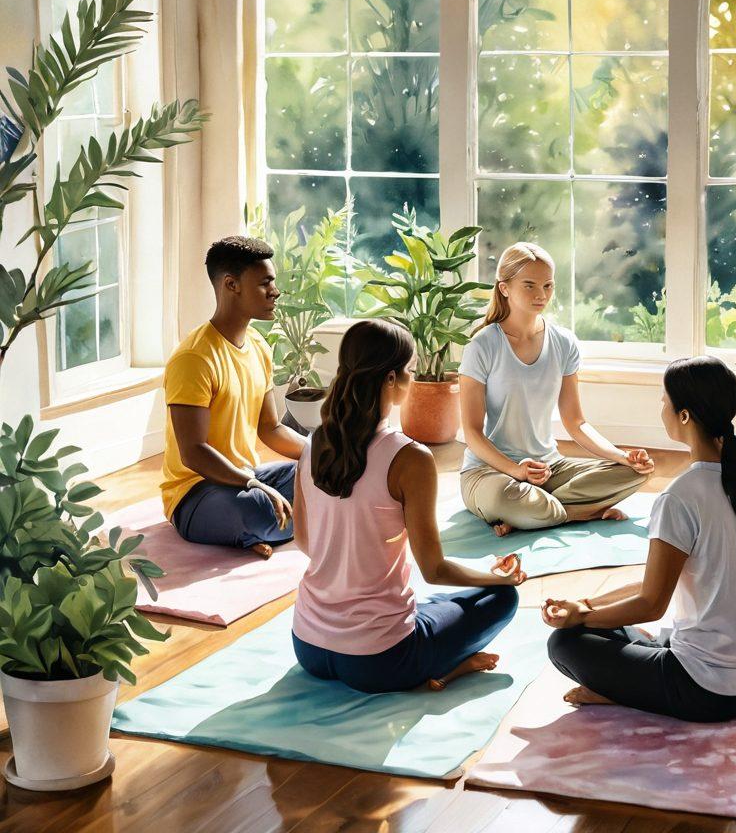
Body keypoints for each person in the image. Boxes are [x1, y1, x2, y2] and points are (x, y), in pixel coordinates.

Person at [543, 356, 736, 722]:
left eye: (664, 401)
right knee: (622, 627)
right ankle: (644, 669)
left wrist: (579, 620)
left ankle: (625, 695)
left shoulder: (679, 496)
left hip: (708, 690)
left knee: (565, 643)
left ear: (685, 416)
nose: (661, 408)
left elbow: (651, 604)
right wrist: (587, 604)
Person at [291, 319, 526, 694]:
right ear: (390, 380)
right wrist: (497, 577)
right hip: (381, 659)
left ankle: (437, 660)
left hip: (308, 645)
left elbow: (304, 542)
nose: (412, 379)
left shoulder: (313, 442)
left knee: (436, 600)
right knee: (501, 597)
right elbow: (434, 570)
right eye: (410, 372)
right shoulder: (409, 458)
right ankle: (448, 669)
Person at [459, 242, 654, 537]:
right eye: (530, 285)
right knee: (504, 498)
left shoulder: (564, 343)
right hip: (491, 473)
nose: (541, 294)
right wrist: (516, 471)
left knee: (636, 473)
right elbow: (472, 433)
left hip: (550, 469)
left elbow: (576, 422)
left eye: (548, 285)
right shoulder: (482, 346)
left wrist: (621, 456)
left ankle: (537, 514)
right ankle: (581, 511)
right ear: (504, 288)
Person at [160, 236, 306, 558]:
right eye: (265, 283)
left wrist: (322, 453)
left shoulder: (258, 346)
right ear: (231, 285)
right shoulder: (194, 358)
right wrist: (253, 486)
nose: (275, 292)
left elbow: (270, 428)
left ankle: (266, 529)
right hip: (195, 492)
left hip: (246, 475)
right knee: (255, 510)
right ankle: (284, 524)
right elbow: (193, 453)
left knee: (316, 477)